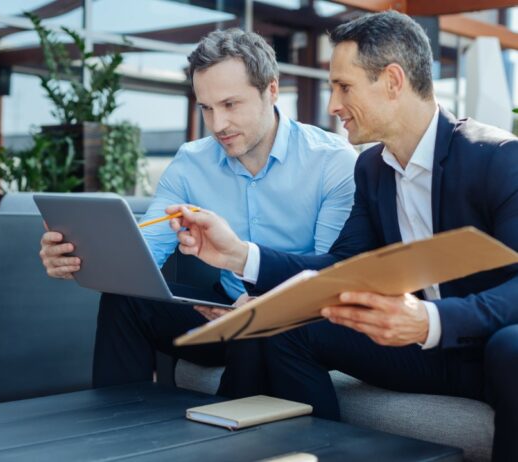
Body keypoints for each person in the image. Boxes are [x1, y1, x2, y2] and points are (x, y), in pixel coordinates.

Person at [169, 12, 518, 461]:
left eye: (344, 87)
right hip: (420, 348)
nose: (332, 104)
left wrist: (433, 321)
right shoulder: (372, 169)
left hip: (489, 347)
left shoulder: (498, 159)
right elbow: (341, 267)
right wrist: (240, 255)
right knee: (291, 330)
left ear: (393, 81)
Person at [39, 28, 357, 397]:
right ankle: (118, 434)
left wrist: (256, 308)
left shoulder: (332, 162)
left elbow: (328, 275)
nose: (217, 124)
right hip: (219, 310)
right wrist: (79, 257)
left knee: (257, 327)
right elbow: (142, 257)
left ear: (271, 90)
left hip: (295, 320)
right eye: (206, 107)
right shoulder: (191, 162)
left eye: (230, 104)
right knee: (125, 301)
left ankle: (227, 441)